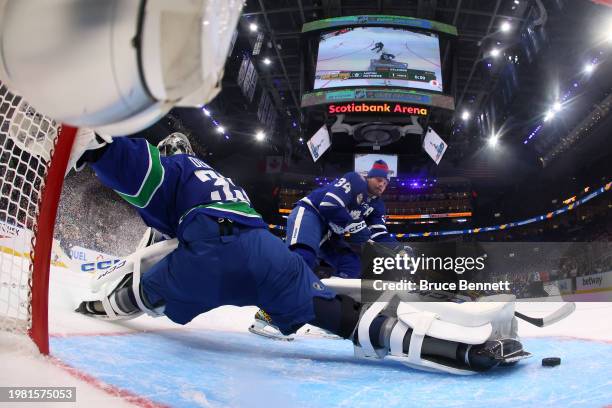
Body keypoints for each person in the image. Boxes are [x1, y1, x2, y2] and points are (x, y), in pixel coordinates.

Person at [74, 132, 529, 374]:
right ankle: (460, 352)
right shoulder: (225, 181)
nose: (382, 185)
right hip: (266, 250)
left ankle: (101, 304)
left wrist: (97, 149)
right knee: (343, 316)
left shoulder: (173, 168)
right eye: (379, 180)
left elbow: (137, 168)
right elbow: (343, 217)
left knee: (147, 294)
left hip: (215, 250)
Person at [249, 161, 398, 339]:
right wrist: (355, 226)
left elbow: (379, 234)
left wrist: (397, 249)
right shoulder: (355, 180)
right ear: (369, 177)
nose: (382, 184)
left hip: (331, 232)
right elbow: (329, 205)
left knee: (352, 266)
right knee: (303, 259)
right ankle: (269, 314)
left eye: (386, 182)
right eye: (379, 179)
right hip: (311, 214)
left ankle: (330, 316)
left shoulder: (378, 205)